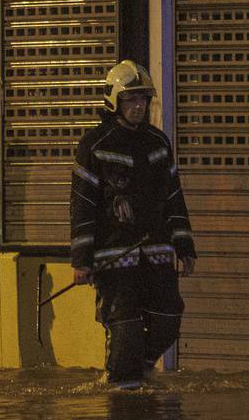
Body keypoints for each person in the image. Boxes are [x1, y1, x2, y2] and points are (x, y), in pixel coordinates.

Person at [70, 60, 197, 388]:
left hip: (155, 252)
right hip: (114, 256)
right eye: (131, 100)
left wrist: (184, 245)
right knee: (125, 329)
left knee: (168, 320)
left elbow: (174, 197)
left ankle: (134, 371)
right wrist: (82, 261)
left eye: (143, 99)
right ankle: (119, 391)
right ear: (114, 101)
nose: (139, 106)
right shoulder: (95, 146)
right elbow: (82, 207)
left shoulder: (157, 143)